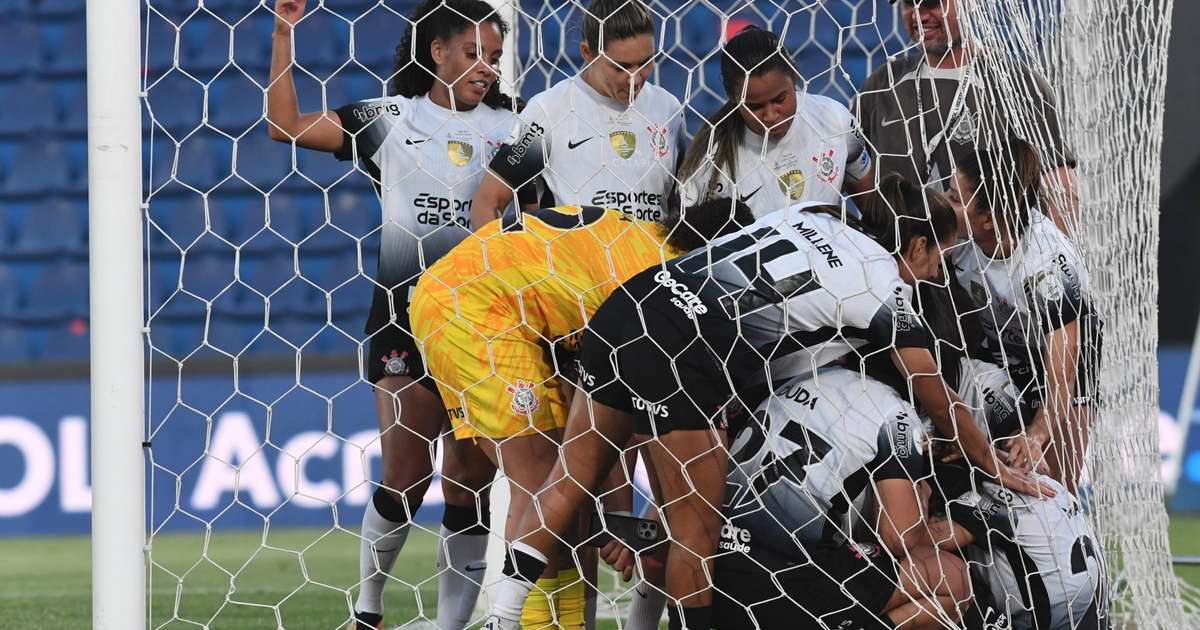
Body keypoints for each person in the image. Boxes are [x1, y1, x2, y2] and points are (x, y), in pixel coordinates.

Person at [484, 176, 1052, 630]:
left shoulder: (809, 215)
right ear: (919, 243)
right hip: (687, 352)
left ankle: (500, 617)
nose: (936, 273)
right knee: (695, 537)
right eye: (937, 258)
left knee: (565, 483)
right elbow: (938, 395)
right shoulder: (885, 285)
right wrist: (986, 460)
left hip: (634, 301)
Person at [267, 1, 519, 627]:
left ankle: (452, 625)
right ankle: (369, 609)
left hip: (483, 324)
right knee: (405, 473)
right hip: (405, 318)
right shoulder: (391, 119)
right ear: (437, 51)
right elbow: (285, 125)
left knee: (468, 484)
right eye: (473, 54)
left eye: (493, 57)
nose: (485, 68)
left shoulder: (513, 127)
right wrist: (282, 32)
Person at [409, 200, 754, 630]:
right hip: (475, 309)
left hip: (489, 304)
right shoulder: (669, 288)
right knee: (539, 488)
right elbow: (653, 422)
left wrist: (621, 519)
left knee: (564, 499)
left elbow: (605, 412)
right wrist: (630, 519)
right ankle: (511, 622)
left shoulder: (639, 243)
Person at [711, 366, 968, 630]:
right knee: (952, 577)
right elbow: (899, 537)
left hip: (716, 565)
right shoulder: (896, 414)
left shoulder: (809, 374)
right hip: (788, 585)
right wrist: (921, 498)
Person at [944, 137, 1102, 493]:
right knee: (990, 476)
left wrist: (1038, 432)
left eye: (954, 198)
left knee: (1056, 490)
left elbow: (1064, 361)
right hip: (999, 353)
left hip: (1068, 365)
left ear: (987, 220)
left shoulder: (1046, 263)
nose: (942, 203)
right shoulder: (953, 238)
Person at [854, 0, 1078, 231]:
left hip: (992, 262)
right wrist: (886, 236)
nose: (919, 16)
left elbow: (1060, 189)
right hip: (900, 260)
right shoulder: (882, 85)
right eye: (909, 4)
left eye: (931, 3)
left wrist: (1060, 260)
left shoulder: (1018, 86)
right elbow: (852, 170)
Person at [929, 357, 1109, 630]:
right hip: (1092, 608)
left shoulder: (988, 498)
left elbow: (920, 538)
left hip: (1051, 617)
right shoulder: (1051, 485)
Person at [470, 0, 684, 228]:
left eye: (645, 63)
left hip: (651, 260)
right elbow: (487, 202)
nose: (636, 78)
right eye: (621, 67)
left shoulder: (667, 108)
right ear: (587, 53)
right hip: (575, 261)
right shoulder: (549, 110)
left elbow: (677, 205)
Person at [677, 26, 874, 218]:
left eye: (780, 99)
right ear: (733, 97)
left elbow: (874, 209)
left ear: (795, 75)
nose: (770, 116)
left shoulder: (834, 119)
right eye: (755, 107)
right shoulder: (710, 162)